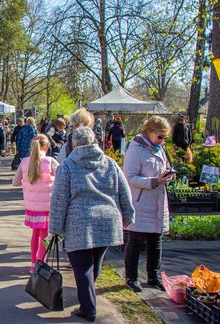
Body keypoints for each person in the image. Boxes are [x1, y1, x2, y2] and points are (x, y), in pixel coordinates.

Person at [49, 126, 135, 322]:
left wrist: (54, 228)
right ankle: (88, 296)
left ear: (73, 144)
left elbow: (59, 200)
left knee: (82, 266)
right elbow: (124, 190)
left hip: (80, 222)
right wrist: (128, 214)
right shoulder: (110, 163)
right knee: (94, 263)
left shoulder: (68, 166)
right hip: (107, 219)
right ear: (94, 140)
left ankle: (88, 308)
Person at [123, 116, 174, 294]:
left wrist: (168, 175)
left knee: (156, 240)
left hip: (158, 202)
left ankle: (154, 275)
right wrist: (154, 181)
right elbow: (129, 178)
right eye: (160, 136)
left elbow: (165, 167)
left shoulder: (159, 149)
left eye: (165, 137)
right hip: (141, 201)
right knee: (136, 240)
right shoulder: (135, 150)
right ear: (149, 131)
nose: (162, 140)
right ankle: (132, 276)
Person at [12, 134, 58, 274]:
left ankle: (33, 262)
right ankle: (41, 261)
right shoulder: (50, 162)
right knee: (46, 236)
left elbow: (15, 182)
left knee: (35, 234)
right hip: (47, 206)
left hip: (32, 207)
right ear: (46, 146)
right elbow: (62, 178)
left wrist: (26, 183)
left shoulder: (25, 162)